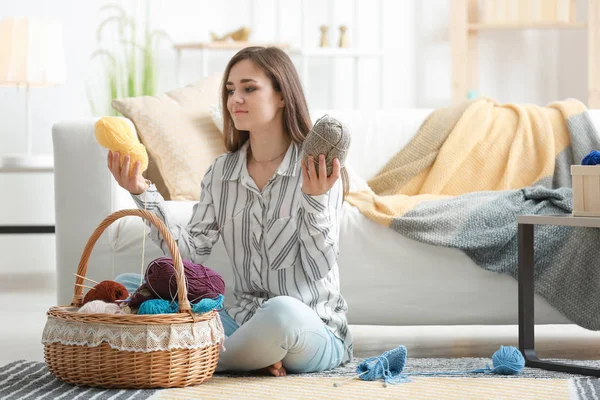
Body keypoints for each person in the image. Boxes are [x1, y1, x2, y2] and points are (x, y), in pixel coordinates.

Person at [107, 46, 353, 377]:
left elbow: (317, 266)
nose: (234, 99)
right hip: (241, 321)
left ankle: (195, 360)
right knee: (130, 287)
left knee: (282, 313)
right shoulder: (221, 173)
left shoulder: (316, 169)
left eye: (249, 88)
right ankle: (251, 356)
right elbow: (190, 255)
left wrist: (314, 200)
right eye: (230, 90)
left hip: (309, 326)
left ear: (282, 95)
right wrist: (141, 192)